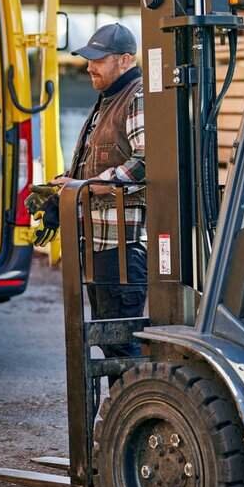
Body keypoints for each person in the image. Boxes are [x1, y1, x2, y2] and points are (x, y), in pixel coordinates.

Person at [34, 23, 147, 358]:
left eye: (98, 59)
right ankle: (121, 410)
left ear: (125, 60)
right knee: (109, 340)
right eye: (89, 58)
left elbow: (148, 161)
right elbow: (98, 164)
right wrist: (62, 189)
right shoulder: (107, 100)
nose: (89, 66)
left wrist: (83, 188)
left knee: (122, 342)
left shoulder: (137, 96)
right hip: (99, 246)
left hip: (122, 249)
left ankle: (133, 410)